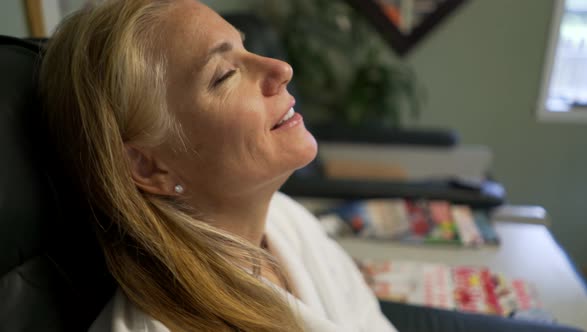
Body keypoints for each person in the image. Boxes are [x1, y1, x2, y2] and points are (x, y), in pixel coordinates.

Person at [39, 0, 397, 331]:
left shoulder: (285, 220)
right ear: (148, 167)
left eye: (246, 47)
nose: (282, 69)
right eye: (225, 74)